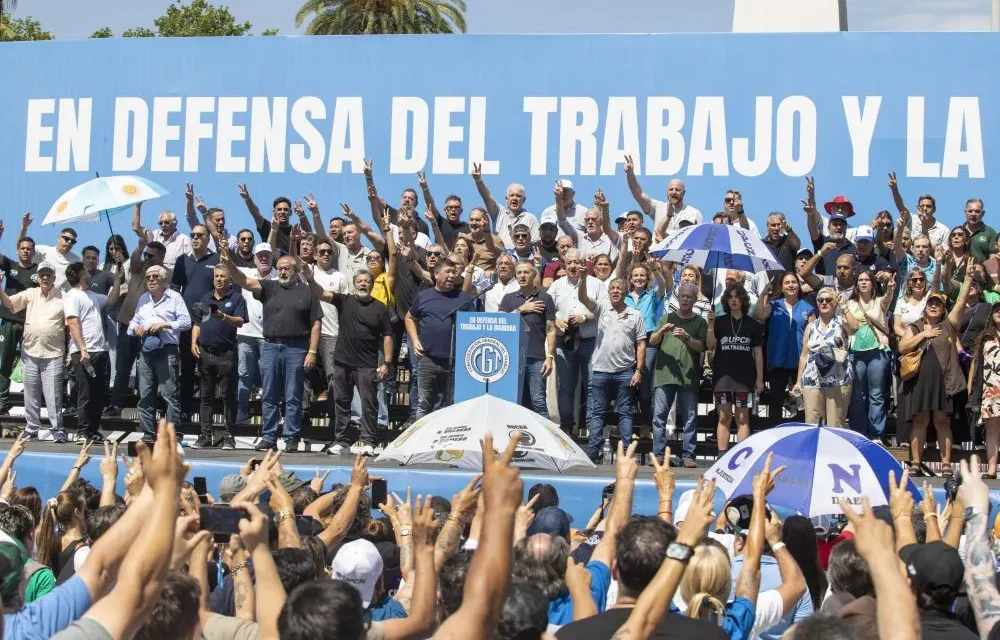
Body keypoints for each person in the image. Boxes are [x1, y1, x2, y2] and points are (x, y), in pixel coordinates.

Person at [222, 245, 322, 453]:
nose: (284, 271)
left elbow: (316, 323)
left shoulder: (306, 291)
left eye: (288, 268)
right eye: (281, 268)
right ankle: (268, 436)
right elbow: (244, 281)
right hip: (270, 346)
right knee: (269, 394)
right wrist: (230, 264)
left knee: (293, 395)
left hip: (296, 348)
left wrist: (312, 351)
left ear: (295, 270)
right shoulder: (270, 287)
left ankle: (291, 436)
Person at [305, 267, 393, 456]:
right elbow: (320, 293)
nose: (363, 284)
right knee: (341, 402)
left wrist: (386, 362)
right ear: (354, 284)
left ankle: (369, 441)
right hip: (342, 362)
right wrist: (310, 279)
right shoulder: (344, 300)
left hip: (368, 364)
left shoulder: (380, 308)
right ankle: (342, 441)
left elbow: (387, 336)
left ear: (371, 284)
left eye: (367, 281)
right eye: (360, 281)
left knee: (369, 403)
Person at [900, 260, 974, 477]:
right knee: (920, 420)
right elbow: (903, 347)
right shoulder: (914, 327)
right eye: (930, 303)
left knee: (942, 421)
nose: (933, 306)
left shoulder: (948, 324)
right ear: (925, 307)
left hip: (944, 380)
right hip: (919, 381)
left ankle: (946, 464)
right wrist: (923, 335)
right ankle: (915, 463)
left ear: (943, 309)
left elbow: (961, 301)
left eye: (938, 304)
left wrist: (968, 278)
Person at [578, 277, 645, 461]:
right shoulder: (601, 309)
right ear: (608, 293)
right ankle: (593, 452)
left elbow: (641, 343)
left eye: (619, 288)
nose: (615, 291)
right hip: (600, 369)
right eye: (612, 288)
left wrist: (639, 370)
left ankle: (625, 454)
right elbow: (583, 298)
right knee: (597, 413)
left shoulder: (635, 315)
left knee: (625, 412)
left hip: (625, 371)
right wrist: (582, 279)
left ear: (625, 293)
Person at [104, 227, 168, 417]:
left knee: (148, 367)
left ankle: (148, 405)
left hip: (150, 327)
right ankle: (116, 405)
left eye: (151, 255)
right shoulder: (139, 269)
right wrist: (140, 247)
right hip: (127, 322)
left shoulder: (165, 274)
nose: (147, 258)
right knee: (123, 366)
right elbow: (133, 261)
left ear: (161, 257)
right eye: (146, 255)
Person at [0, 262, 65, 441]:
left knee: (54, 395)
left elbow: (72, 322)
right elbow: (9, 304)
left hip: (54, 354)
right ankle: (32, 427)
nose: (45, 277)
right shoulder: (31, 293)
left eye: (48, 274)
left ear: (54, 277)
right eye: (42, 274)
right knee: (30, 394)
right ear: (38, 277)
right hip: (29, 352)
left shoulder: (64, 297)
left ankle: (57, 429)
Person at [547, 249, 608, 435]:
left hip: (589, 341)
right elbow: (548, 311)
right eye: (570, 263)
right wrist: (556, 320)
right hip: (564, 341)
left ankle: (591, 426)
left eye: (578, 262)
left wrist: (585, 317)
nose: (574, 266)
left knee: (592, 386)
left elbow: (604, 312)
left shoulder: (597, 284)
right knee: (565, 386)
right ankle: (567, 426)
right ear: (565, 265)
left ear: (584, 264)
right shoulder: (556, 286)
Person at [128, 265, 191, 443]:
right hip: (147, 350)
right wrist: (136, 328)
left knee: (169, 394)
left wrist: (165, 325)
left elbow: (186, 322)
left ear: (164, 280)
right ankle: (148, 433)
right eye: (148, 277)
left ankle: (172, 434)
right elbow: (133, 322)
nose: (152, 280)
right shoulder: (143, 299)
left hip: (167, 350)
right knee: (145, 394)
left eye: (155, 276)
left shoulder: (175, 297)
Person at [405, 259, 475, 418]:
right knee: (424, 404)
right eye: (448, 272)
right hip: (428, 358)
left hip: (455, 361)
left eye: (454, 272)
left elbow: (474, 323)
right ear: (436, 274)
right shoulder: (424, 296)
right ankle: (421, 440)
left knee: (450, 405)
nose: (452, 275)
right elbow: (409, 318)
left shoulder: (464, 298)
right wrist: (415, 341)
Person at [64, 262, 124, 443]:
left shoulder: (92, 295)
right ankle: (82, 431)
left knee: (99, 393)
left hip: (100, 350)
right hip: (85, 351)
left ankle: (93, 430)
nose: (89, 272)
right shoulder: (72, 296)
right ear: (79, 274)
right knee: (86, 393)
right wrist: (82, 348)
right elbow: (73, 324)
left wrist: (117, 280)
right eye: (85, 270)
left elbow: (112, 300)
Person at [650, 282, 707, 466]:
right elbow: (652, 341)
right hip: (665, 374)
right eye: (682, 296)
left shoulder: (700, 322)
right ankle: (658, 454)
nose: (685, 299)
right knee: (659, 416)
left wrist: (687, 337)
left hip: (688, 375)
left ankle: (688, 455)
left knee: (690, 417)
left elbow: (702, 347)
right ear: (677, 297)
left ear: (695, 299)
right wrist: (661, 331)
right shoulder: (667, 317)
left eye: (689, 296)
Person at [190, 265, 247, 450]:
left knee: (227, 396)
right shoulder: (206, 298)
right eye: (216, 276)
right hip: (205, 352)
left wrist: (222, 316)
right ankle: (205, 435)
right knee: (205, 396)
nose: (219, 279)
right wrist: (193, 343)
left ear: (229, 279)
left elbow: (240, 321)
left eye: (223, 276)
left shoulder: (236, 298)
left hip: (226, 352)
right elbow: (198, 323)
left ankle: (228, 436)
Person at [171, 223, 220, 419]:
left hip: (208, 322)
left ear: (208, 238)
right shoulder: (182, 260)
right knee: (187, 368)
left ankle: (206, 413)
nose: (196, 238)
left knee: (207, 369)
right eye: (193, 235)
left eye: (200, 235)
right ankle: (184, 410)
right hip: (186, 323)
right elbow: (175, 290)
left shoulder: (215, 259)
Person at [793, 287, 857, 428]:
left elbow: (854, 327)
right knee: (812, 424)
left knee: (835, 425)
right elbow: (804, 355)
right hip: (813, 379)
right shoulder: (811, 326)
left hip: (838, 380)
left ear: (834, 303)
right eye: (820, 300)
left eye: (828, 300)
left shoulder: (841, 322)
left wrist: (843, 305)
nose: (824, 302)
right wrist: (798, 381)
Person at [755, 272, 814, 422]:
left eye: (794, 282)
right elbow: (760, 314)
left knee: (800, 404)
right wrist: (763, 294)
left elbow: (814, 334)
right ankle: (775, 435)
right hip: (777, 361)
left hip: (799, 363)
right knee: (776, 403)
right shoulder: (775, 305)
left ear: (798, 285)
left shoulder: (807, 308)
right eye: (787, 283)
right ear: (781, 288)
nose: (791, 285)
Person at [499, 261, 556, 416]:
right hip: (511, 359)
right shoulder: (508, 299)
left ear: (534, 274)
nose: (522, 276)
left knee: (538, 401)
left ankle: (545, 438)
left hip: (536, 358)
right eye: (519, 273)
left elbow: (551, 329)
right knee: (513, 402)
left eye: (526, 272)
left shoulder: (545, 298)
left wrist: (549, 357)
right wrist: (521, 309)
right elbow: (500, 323)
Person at [712, 283, 763, 453]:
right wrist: (710, 326)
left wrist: (760, 379)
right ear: (726, 300)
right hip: (722, 378)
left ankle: (740, 457)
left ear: (743, 300)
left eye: (737, 297)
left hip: (744, 378)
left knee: (742, 418)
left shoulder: (753, 325)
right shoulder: (718, 322)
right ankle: (721, 456)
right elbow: (710, 345)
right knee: (724, 417)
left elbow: (758, 353)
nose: (734, 300)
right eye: (730, 297)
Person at [846, 270, 894, 440]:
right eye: (860, 280)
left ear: (873, 284)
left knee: (876, 394)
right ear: (856, 284)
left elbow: (888, 297)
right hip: (856, 353)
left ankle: (876, 434)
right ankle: (858, 433)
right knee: (858, 395)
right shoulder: (849, 303)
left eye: (867, 279)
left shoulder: (879, 302)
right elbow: (848, 327)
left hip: (877, 352)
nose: (864, 282)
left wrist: (890, 288)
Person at [234, 242, 276, 423]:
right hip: (246, 333)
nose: (264, 259)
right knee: (244, 376)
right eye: (260, 256)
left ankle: (270, 419)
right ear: (254, 259)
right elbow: (228, 267)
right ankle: (241, 418)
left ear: (272, 258)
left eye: (267, 255)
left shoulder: (278, 276)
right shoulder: (247, 273)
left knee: (270, 377)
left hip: (269, 335)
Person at [0, 227, 38, 416]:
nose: (25, 251)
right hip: (7, 321)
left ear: (33, 251)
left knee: (31, 366)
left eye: (29, 248)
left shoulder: (39, 272)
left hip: (29, 324)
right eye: (23, 248)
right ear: (18, 250)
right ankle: (2, 402)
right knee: (3, 362)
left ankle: (32, 407)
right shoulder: (10, 266)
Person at [625, 262, 666, 423]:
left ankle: (645, 424)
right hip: (628, 342)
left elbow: (662, 284)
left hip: (648, 342)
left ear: (647, 278)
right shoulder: (625, 296)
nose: (639, 278)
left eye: (642, 275)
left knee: (645, 388)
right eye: (636, 275)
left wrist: (655, 269)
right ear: (630, 278)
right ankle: (625, 425)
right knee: (626, 386)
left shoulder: (652, 295)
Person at [624, 156, 703, 235]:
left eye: (677, 190)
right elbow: (638, 194)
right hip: (660, 246)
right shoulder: (657, 207)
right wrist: (630, 174)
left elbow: (701, 236)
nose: (674, 192)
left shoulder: (694, 213)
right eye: (671, 189)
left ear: (684, 192)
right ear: (667, 191)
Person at [473, 165, 540, 246]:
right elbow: (486, 197)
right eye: (512, 195)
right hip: (500, 256)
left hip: (522, 258)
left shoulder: (531, 218)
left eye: (518, 196)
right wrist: (478, 180)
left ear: (524, 200)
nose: (514, 198)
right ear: (506, 198)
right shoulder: (498, 212)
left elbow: (536, 243)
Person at [970, 302, 1000, 478]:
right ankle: (991, 469)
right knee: (992, 430)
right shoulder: (985, 337)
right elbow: (976, 365)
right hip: (991, 390)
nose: (999, 312)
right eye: (996, 310)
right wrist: (971, 388)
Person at [19, 214, 80, 291]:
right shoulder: (44, 251)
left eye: (73, 241)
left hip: (61, 299)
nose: (69, 242)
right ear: (59, 238)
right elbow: (21, 247)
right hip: (41, 296)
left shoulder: (76, 261)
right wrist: (24, 227)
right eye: (66, 239)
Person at [963, 198, 996, 262]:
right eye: (970, 211)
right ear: (965, 213)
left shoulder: (990, 233)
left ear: (983, 213)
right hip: (961, 271)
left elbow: (993, 258)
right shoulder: (958, 233)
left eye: (977, 211)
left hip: (983, 271)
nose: (973, 214)